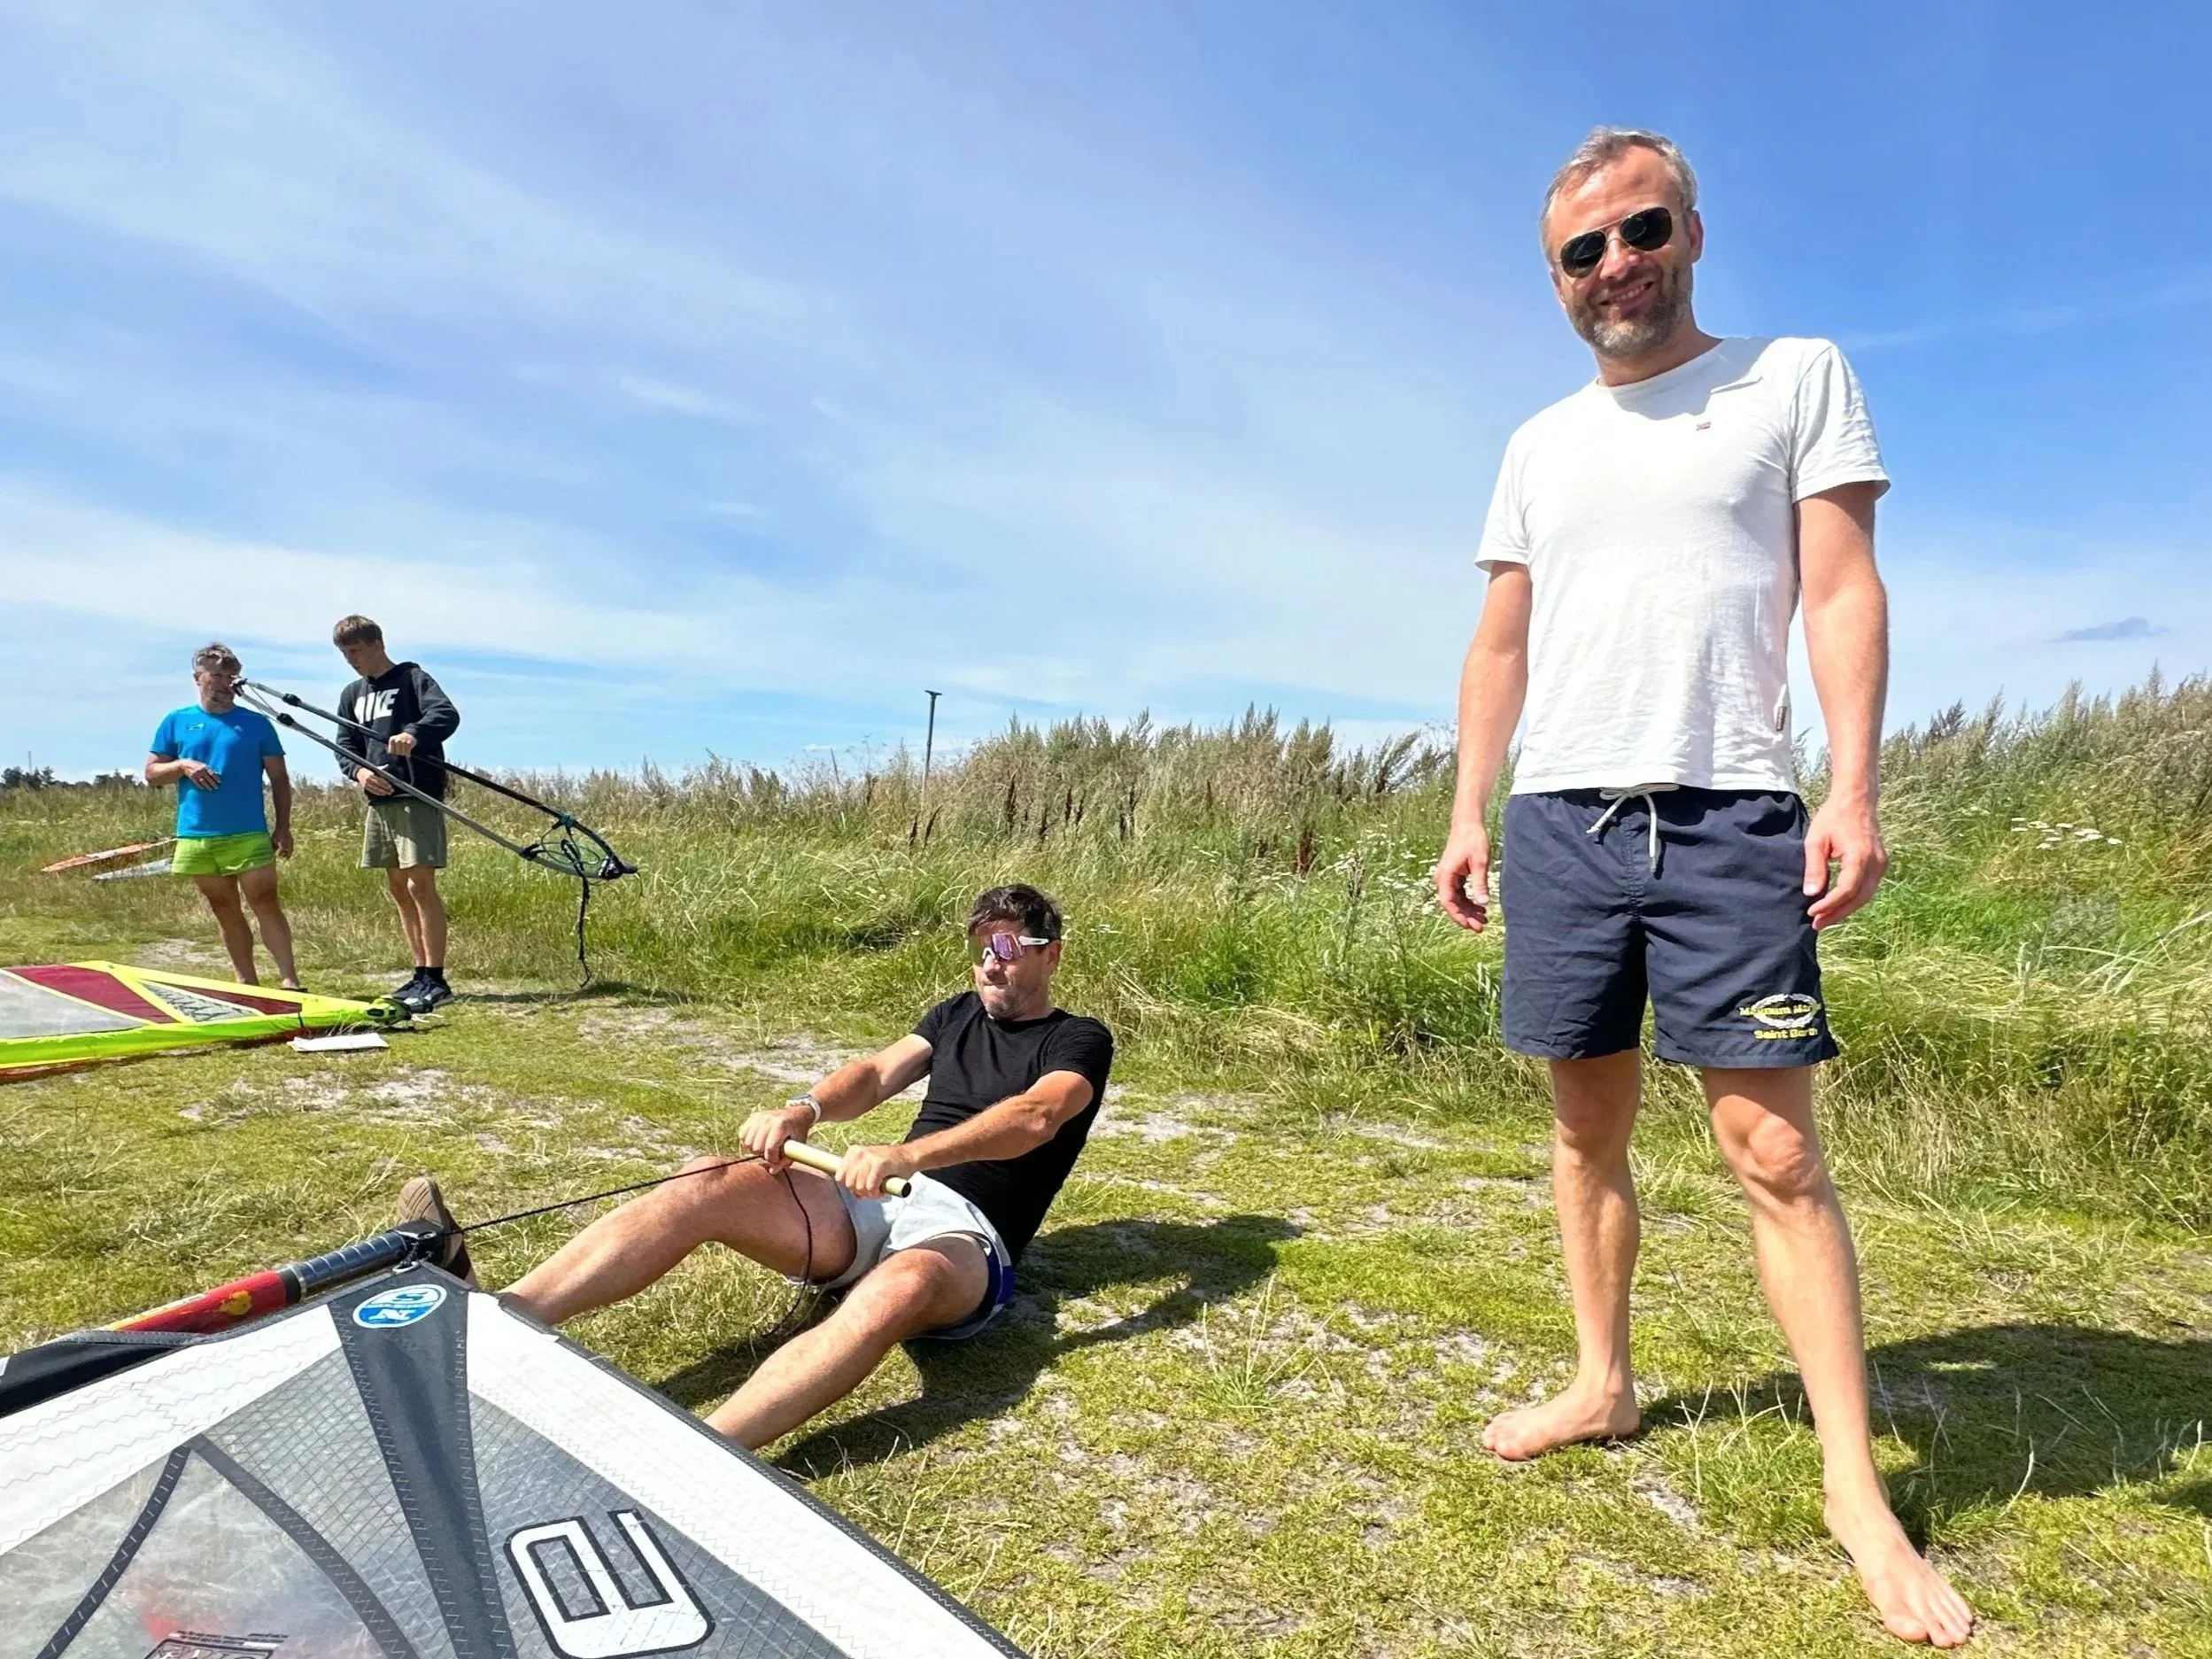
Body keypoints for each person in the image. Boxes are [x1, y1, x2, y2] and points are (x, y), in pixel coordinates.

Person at [1431, 129, 1974, 1647]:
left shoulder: (1791, 376)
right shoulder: (1537, 445)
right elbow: (1497, 647)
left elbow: (1840, 584)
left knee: (1769, 1152)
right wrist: (1467, 808)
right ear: (1555, 281)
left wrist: (1850, 783)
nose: (1615, 264)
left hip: (1730, 810)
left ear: (1688, 229)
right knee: (1578, 1122)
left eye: (1638, 229)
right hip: (1558, 819)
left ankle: (1853, 1489)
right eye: (1580, 250)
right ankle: (1601, 1378)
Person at [398, 883, 1112, 1449]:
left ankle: (708, 1450)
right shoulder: (955, 1013)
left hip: (961, 1236)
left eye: (1012, 945)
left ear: (1052, 955)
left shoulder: (1078, 1038)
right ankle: (495, 1318)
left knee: (907, 1282)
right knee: (706, 1175)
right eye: (982, 944)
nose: (993, 959)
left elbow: (1037, 1117)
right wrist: (805, 1110)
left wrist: (909, 1154)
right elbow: (872, 1072)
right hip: (870, 1201)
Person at [144, 643, 302, 991]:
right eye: (216, 675)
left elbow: (279, 778)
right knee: (223, 907)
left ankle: (290, 981)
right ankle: (246, 983)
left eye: (230, 676)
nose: (224, 683)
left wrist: (283, 827)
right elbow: (153, 774)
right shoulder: (177, 721)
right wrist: (183, 765)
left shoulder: (256, 724)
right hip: (197, 833)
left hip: (248, 831)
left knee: (265, 902)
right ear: (198, 678)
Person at [331, 616, 461, 1012]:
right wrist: (361, 773)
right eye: (344, 654)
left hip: (416, 792)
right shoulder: (351, 693)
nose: (350, 660)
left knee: (419, 886)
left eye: (354, 651)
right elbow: (344, 743)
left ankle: (436, 978)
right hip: (379, 800)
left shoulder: (412, 678)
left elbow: (445, 714)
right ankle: (419, 972)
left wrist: (414, 733)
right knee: (398, 889)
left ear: (376, 643)